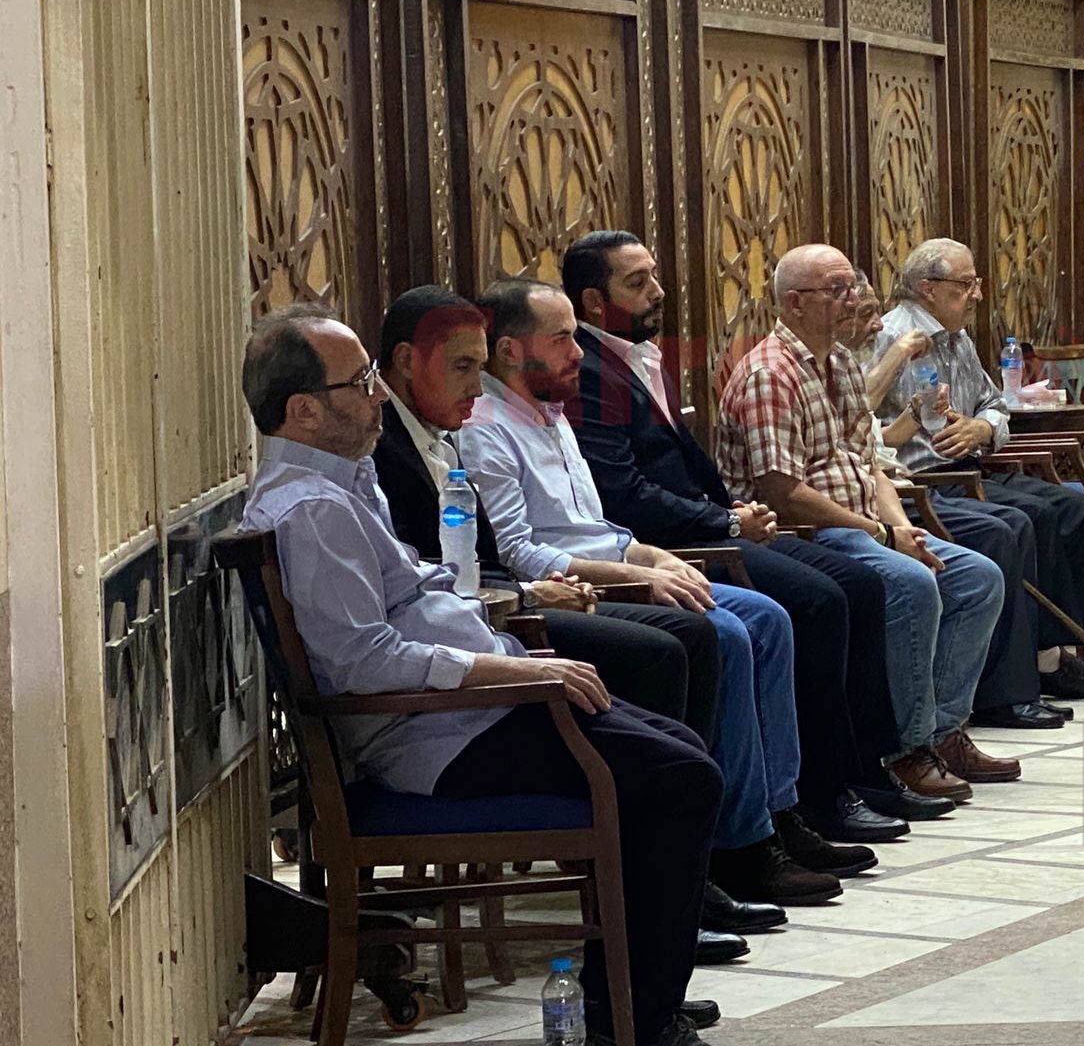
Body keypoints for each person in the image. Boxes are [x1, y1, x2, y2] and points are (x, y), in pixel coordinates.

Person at [237, 304, 718, 1046]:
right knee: (679, 778)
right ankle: (633, 1020)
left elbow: (417, 591)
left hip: (472, 708)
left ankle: (631, 997)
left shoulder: (343, 480)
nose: (377, 393)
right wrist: (511, 669)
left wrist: (516, 657)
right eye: (360, 382)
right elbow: (363, 662)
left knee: (678, 750)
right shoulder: (310, 510)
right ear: (302, 410)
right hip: (434, 736)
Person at [369, 285, 779, 956]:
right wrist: (532, 595)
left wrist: (598, 573)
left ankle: (694, 867)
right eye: (463, 367)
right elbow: (431, 589)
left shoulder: (444, 433)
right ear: (407, 361)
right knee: (667, 649)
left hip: (498, 616)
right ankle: (661, 885)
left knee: (706, 639)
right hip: (467, 659)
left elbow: (470, 563)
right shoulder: (384, 454)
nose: (475, 386)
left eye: (478, 367)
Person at [459, 278, 875, 907]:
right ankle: (731, 844)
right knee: (723, 632)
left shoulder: (553, 414)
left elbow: (599, 527)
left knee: (768, 618)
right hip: (573, 589)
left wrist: (654, 557)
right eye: (562, 338)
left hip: (619, 565)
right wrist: (641, 576)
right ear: (512, 350)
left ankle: (775, 813)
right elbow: (520, 553)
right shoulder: (486, 429)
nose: (578, 352)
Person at [561, 230, 953, 837]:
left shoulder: (636, 356)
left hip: (712, 525)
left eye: (655, 275)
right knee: (823, 597)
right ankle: (813, 795)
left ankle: (862, 771)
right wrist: (724, 520)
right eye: (638, 283)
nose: (659, 291)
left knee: (855, 584)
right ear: (593, 301)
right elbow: (624, 493)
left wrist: (733, 513)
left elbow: (860, 459)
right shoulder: (589, 372)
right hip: (665, 543)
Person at [717, 243, 1018, 802]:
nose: (851, 300)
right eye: (836, 290)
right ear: (794, 303)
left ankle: (943, 732)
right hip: (802, 534)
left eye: (851, 288)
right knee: (912, 583)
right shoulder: (768, 373)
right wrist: (880, 535)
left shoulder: (840, 364)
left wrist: (902, 530)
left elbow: (869, 464)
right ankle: (906, 749)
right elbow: (783, 492)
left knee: (978, 577)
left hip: (864, 525)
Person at [873, 238, 1084, 702]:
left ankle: (1060, 649)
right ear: (927, 288)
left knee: (1076, 509)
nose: (977, 295)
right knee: (1029, 518)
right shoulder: (892, 338)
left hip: (973, 467)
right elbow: (861, 421)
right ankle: (1030, 665)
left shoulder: (958, 338)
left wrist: (981, 428)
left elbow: (995, 403)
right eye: (966, 285)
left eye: (977, 283)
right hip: (928, 480)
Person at [841, 272, 1066, 730]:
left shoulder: (954, 339)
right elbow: (860, 423)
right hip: (903, 490)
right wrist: (893, 528)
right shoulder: (879, 346)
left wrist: (954, 419)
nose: (877, 324)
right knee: (1004, 529)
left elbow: (881, 444)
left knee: (1057, 510)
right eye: (866, 315)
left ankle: (1045, 659)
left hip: (908, 485)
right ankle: (1001, 693)